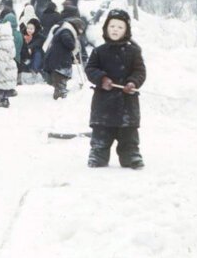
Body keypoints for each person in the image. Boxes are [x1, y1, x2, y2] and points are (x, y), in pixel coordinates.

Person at [85, 9, 146, 169]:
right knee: (101, 131)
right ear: (106, 28)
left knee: (128, 134)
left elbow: (140, 71)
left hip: (127, 102)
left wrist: (133, 82)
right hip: (103, 103)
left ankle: (131, 155)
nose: (115, 30)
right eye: (112, 26)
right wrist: (102, 79)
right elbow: (90, 69)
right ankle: (98, 154)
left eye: (120, 27)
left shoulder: (134, 51)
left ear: (126, 30)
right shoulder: (99, 51)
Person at [43, 17, 86, 100]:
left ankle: (61, 90)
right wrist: (73, 44)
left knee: (61, 77)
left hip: (58, 59)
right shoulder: (66, 31)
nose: (81, 32)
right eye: (81, 29)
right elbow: (68, 42)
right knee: (60, 76)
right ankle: (59, 93)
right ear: (77, 27)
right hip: (58, 60)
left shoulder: (65, 30)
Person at [19, 18, 46, 85]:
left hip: (34, 60)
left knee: (38, 52)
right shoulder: (23, 35)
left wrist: (30, 47)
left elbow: (38, 42)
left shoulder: (39, 37)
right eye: (28, 28)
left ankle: (34, 70)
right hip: (25, 59)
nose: (29, 30)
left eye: (31, 29)